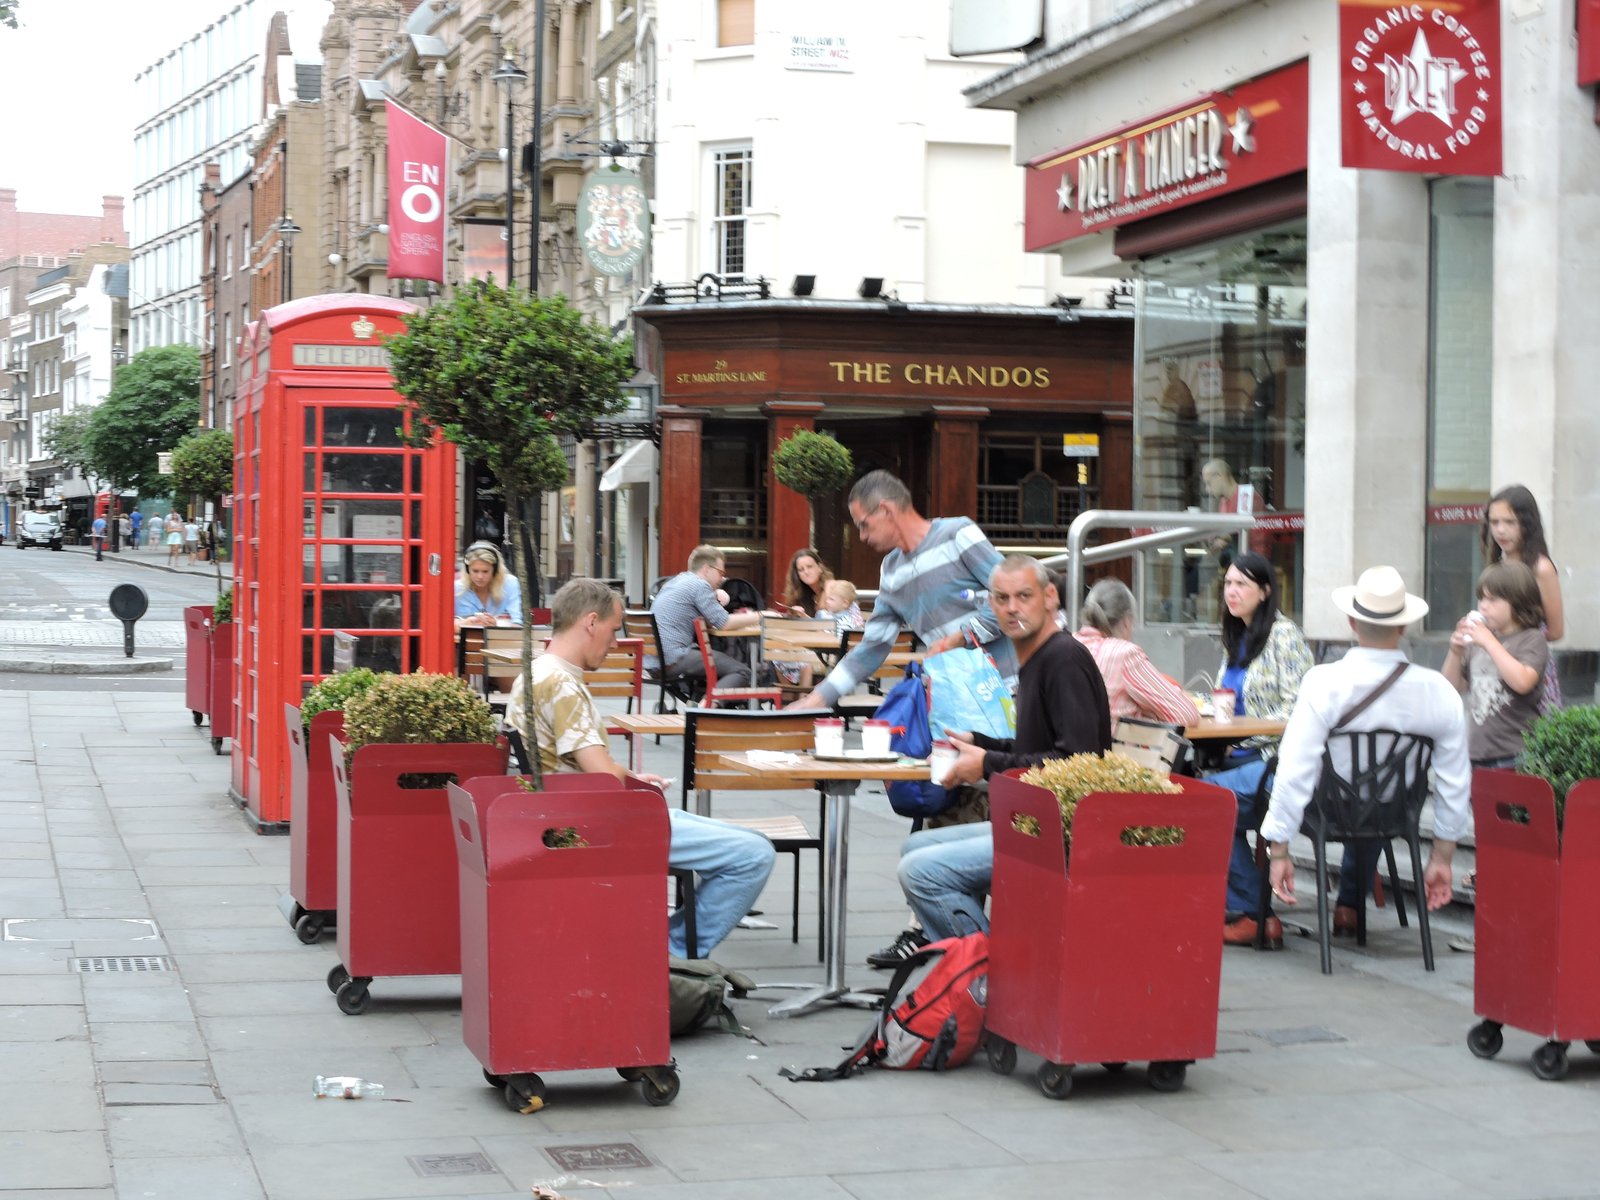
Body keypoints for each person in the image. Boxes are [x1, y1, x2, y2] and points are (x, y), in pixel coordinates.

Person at [507, 578, 775, 958]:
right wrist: (626, 780)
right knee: (753, 855)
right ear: (591, 622)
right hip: (593, 822)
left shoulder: (536, 672)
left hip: (565, 812)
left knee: (749, 839)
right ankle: (669, 953)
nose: (615, 643)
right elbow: (601, 777)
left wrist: (631, 778)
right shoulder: (562, 684)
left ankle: (665, 948)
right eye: (614, 631)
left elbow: (580, 765)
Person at [889, 556, 1112, 944]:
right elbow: (1038, 748)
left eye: (1024, 596)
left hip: (1061, 836)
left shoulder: (1063, 659)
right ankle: (988, 968)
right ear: (990, 606)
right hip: (1034, 824)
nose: (1012, 607)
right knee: (915, 845)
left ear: (1050, 598)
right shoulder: (1036, 656)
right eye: (1002, 598)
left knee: (920, 872)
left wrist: (988, 764)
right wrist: (980, 744)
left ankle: (991, 978)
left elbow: (1081, 761)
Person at [1261, 566, 1471, 929]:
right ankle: (1349, 905)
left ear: (1352, 622)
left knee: (1255, 790)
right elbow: (1455, 781)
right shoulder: (1439, 690)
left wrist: (1279, 848)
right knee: (1372, 793)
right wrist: (1442, 855)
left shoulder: (1324, 682)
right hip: (1393, 811)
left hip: (1328, 809)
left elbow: (1295, 769)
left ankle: (1254, 912)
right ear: (1404, 627)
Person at [790, 470, 1016, 711]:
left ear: (887, 511)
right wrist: (815, 700)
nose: (862, 536)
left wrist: (958, 638)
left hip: (1007, 693)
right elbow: (871, 647)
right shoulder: (891, 570)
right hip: (954, 703)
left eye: (864, 525)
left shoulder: (956, 534)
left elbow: (1012, 598)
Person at [1208, 550, 1313, 948]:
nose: (1231, 592)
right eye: (1228, 584)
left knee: (1207, 803)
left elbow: (1300, 706)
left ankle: (1252, 912)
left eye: (1241, 585)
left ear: (1265, 591)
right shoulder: (1237, 635)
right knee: (1181, 782)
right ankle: (1240, 903)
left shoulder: (1284, 636)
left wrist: (1245, 731)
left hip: (1273, 757)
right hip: (1236, 749)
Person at [1443, 560, 1547, 769]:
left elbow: (1523, 681)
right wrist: (1455, 651)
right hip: (1476, 753)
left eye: (1492, 599)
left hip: (1516, 754)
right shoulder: (1478, 642)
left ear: (1518, 602)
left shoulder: (1532, 639)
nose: (1483, 605)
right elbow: (1450, 688)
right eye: (1481, 598)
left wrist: (1489, 642)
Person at [1074, 578, 1201, 729]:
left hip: (1063, 751)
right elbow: (1187, 715)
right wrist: (1143, 714)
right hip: (1112, 751)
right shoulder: (1124, 654)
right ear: (1127, 621)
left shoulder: (1068, 645)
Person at [1481, 484, 1563, 710]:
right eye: (1495, 522)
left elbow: (1556, 630)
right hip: (1496, 663)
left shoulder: (1541, 568)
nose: (1500, 530)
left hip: (1530, 665)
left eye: (1509, 522)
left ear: (1526, 523)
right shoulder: (1496, 565)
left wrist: (1515, 631)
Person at [653, 544, 765, 690]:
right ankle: (705, 707)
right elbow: (724, 623)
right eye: (720, 572)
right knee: (742, 671)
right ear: (706, 569)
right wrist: (761, 615)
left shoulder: (675, 582)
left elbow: (711, 620)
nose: (722, 578)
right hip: (673, 658)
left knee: (722, 664)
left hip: (653, 661)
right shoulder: (699, 586)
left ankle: (705, 704)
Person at [454, 542, 523, 626]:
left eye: (485, 571)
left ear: (495, 571)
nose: (480, 576)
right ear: (468, 570)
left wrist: (497, 624)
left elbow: (517, 624)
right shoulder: (457, 588)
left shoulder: (510, 584)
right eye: (475, 571)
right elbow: (443, 624)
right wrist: (463, 623)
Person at [780, 548, 833, 616]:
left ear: (820, 568)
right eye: (801, 569)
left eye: (810, 567)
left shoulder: (831, 586)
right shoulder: (802, 594)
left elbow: (829, 622)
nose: (806, 572)